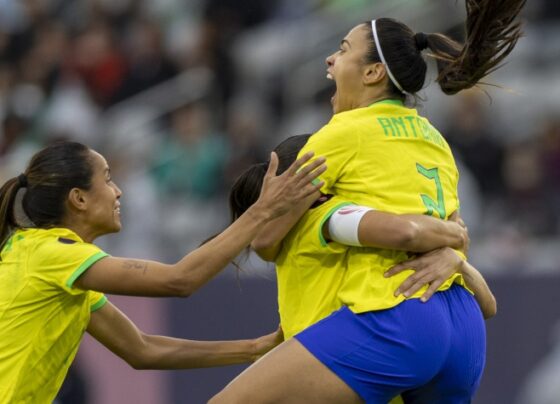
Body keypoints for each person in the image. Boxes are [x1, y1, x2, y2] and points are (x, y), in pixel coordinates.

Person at [211, 1, 524, 402]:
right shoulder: (435, 139)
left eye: (342, 50)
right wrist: (454, 247)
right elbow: (456, 234)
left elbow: (266, 240)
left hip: (395, 320)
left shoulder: (340, 136)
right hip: (463, 326)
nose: (330, 58)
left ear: (374, 72)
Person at [0, 140, 326, 402]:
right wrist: (264, 209)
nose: (119, 191)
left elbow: (142, 349)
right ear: (79, 199)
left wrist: (255, 348)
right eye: (108, 178)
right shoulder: (52, 254)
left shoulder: (51, 261)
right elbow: (179, 280)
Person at [228, 134, 495, 341]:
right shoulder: (331, 217)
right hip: (334, 366)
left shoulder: (296, 230)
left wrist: (456, 260)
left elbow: (488, 306)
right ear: (319, 185)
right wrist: (454, 235)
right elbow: (406, 232)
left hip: (328, 364)